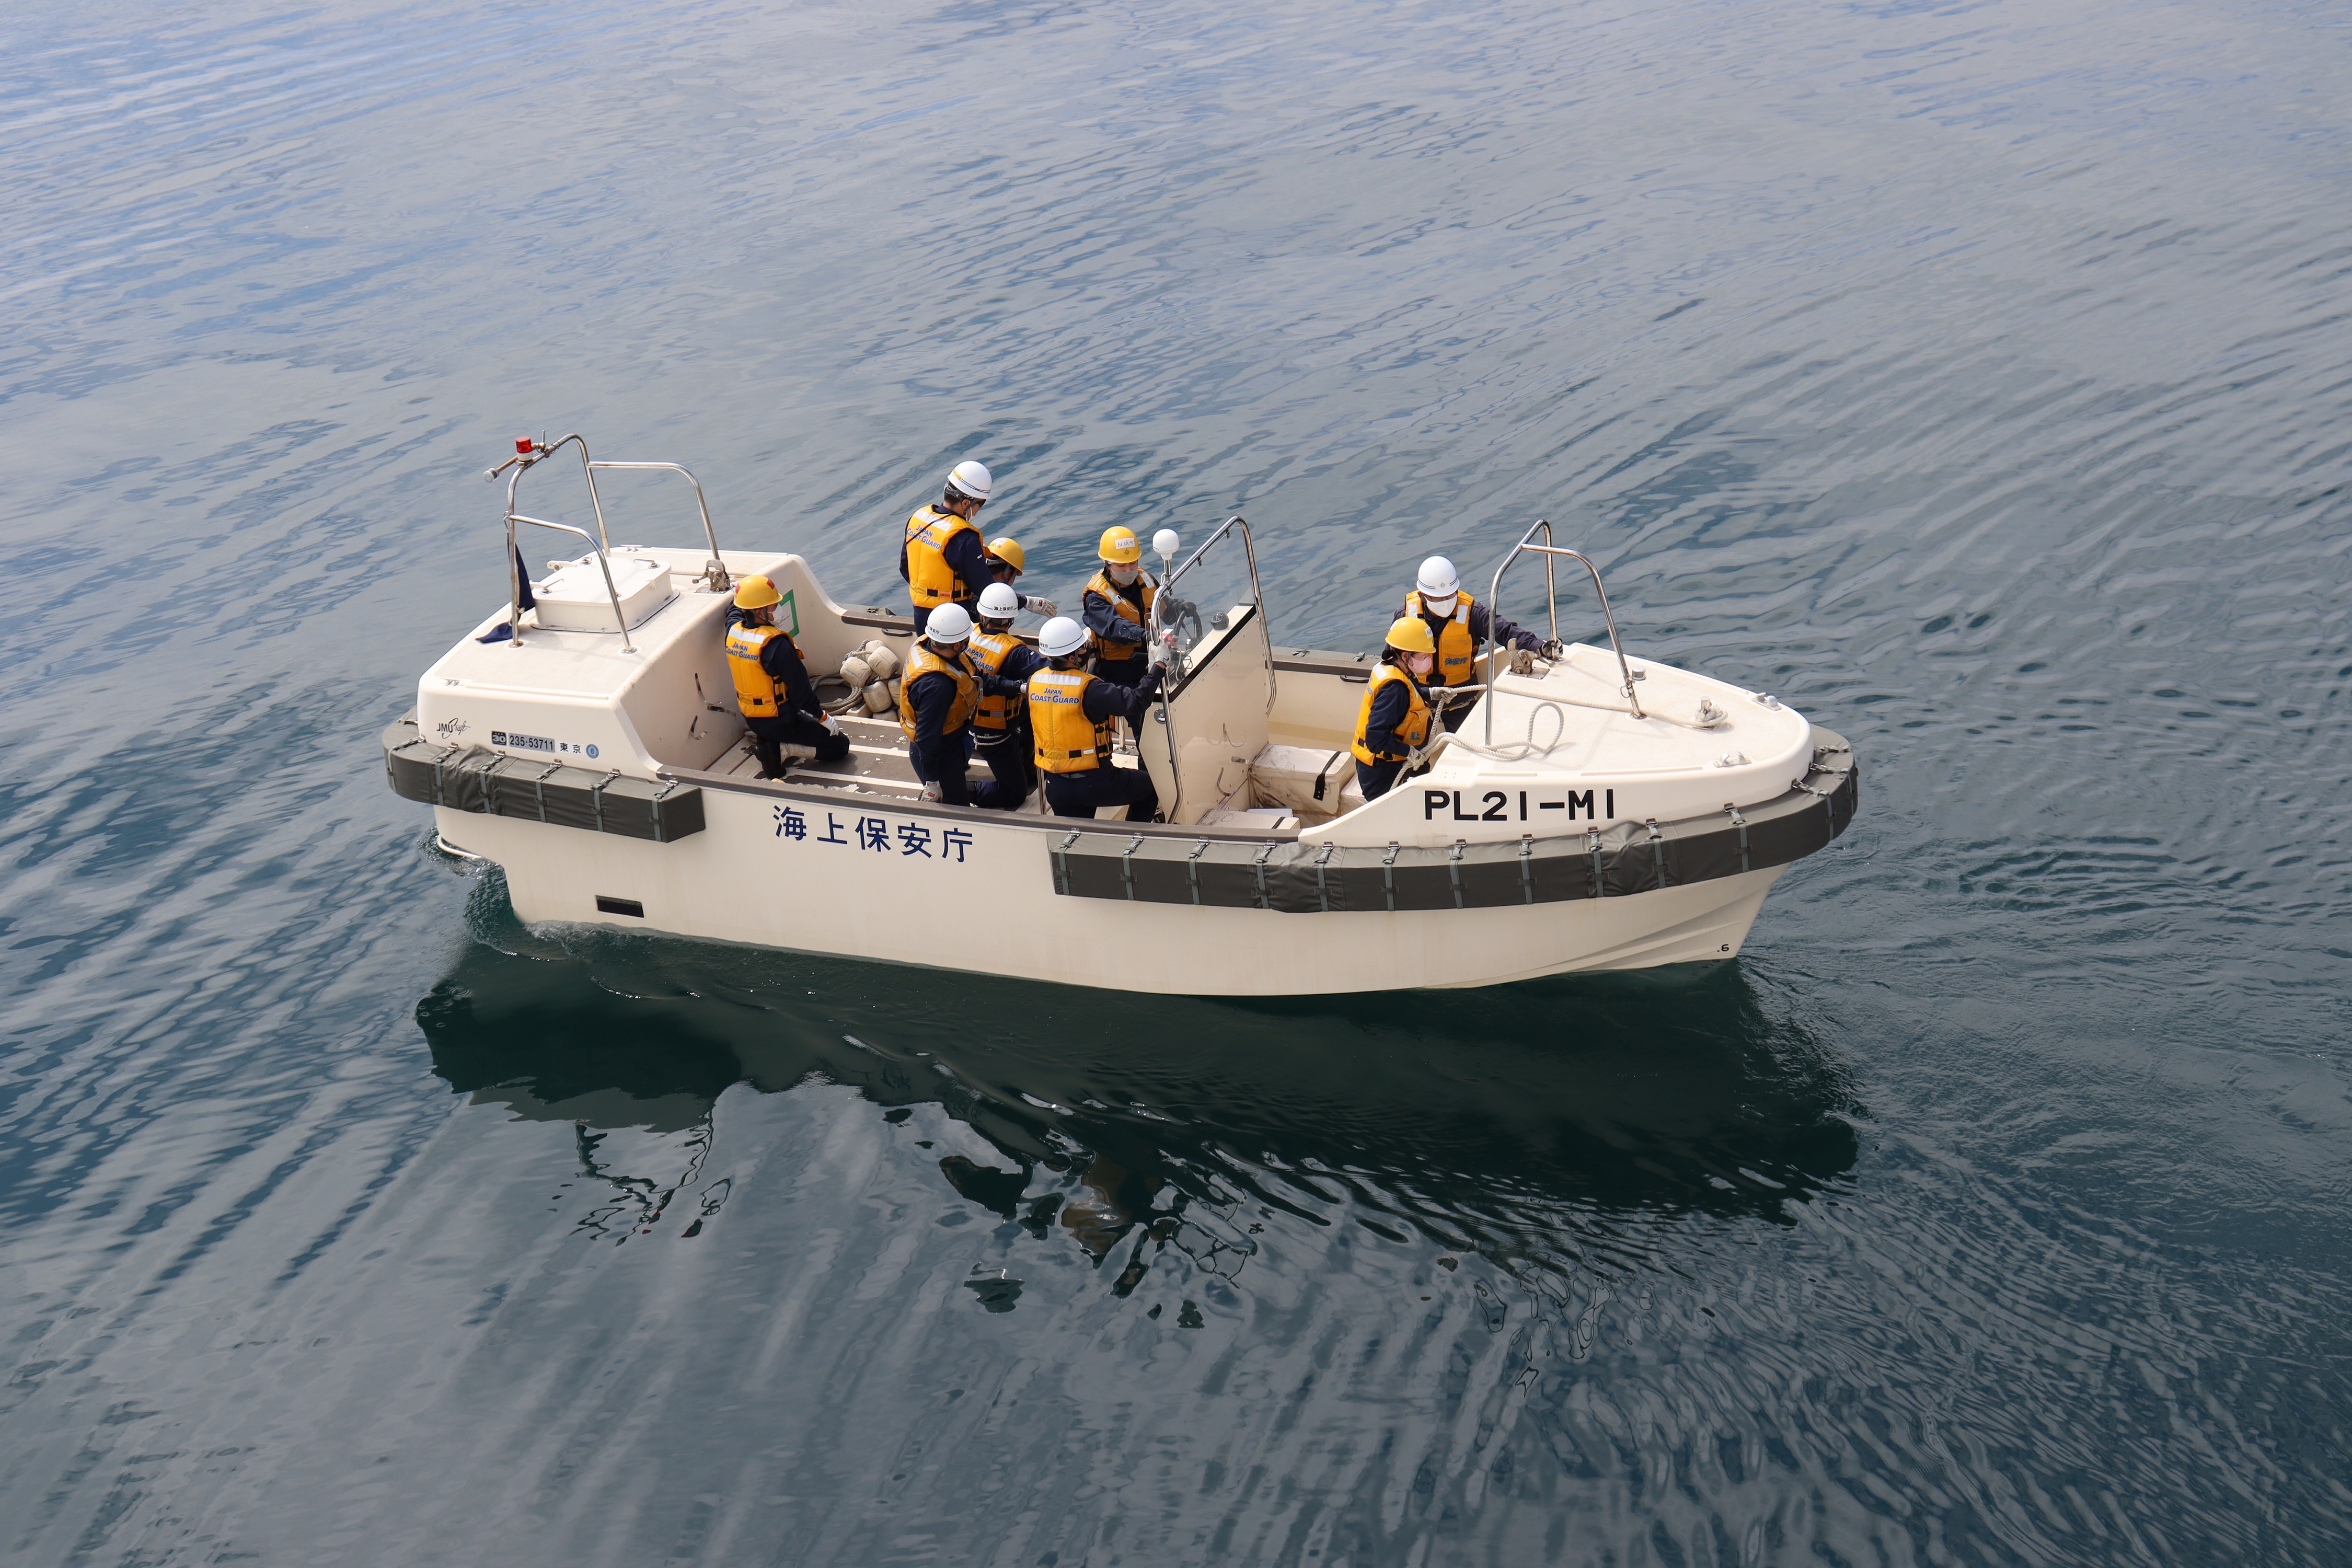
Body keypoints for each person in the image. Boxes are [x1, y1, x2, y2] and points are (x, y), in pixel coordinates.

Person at [1400, 555, 1566, 731]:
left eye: (1450, 596)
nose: (1445, 603)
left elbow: (1506, 631)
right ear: (1422, 595)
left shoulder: (1473, 613)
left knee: (1469, 743)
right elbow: (1393, 661)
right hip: (1418, 703)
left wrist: (1539, 647)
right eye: (1438, 599)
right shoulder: (1405, 616)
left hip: (1461, 704)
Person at [1028, 616, 1163, 820]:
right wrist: (1159, 666)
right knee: (1152, 790)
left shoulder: (1034, 682)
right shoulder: (1090, 688)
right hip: (1095, 783)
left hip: (1056, 787)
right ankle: (1133, 836)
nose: (1086, 651)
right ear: (1072, 658)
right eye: (1082, 649)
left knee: (1077, 831)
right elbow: (1136, 702)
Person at [898, 603, 1027, 808]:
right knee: (955, 809)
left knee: (956, 793)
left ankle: (956, 788)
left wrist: (1017, 687)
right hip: (940, 755)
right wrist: (932, 782)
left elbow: (978, 678)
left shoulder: (931, 647)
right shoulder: (938, 686)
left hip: (954, 739)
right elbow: (927, 738)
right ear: (957, 645)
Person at [726, 575, 851, 778]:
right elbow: (802, 694)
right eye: (774, 606)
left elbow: (733, 611)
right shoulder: (778, 646)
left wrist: (742, 594)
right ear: (760, 613)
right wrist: (823, 717)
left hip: (752, 719)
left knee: (776, 729)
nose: (779, 609)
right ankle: (784, 750)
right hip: (781, 721)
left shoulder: (732, 631)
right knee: (840, 746)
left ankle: (769, 745)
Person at [966, 582, 1044, 806]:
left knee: (1029, 712)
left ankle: (1025, 764)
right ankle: (959, 790)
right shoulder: (1015, 652)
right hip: (993, 732)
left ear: (982, 614)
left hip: (966, 718)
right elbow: (1049, 672)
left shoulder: (966, 633)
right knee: (1015, 794)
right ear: (1011, 620)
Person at [900, 459, 995, 636]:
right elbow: (986, 590)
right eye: (980, 504)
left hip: (921, 614)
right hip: (954, 619)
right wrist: (1025, 602)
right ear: (966, 503)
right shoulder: (964, 537)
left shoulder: (918, 518)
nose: (978, 510)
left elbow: (905, 569)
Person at [1351, 617, 1438, 802]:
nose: (1428, 660)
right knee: (1391, 813)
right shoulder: (1394, 690)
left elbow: (1409, 692)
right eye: (1423, 656)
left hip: (1387, 762)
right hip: (1382, 771)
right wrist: (1409, 753)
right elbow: (1376, 738)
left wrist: (1430, 693)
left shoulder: (1393, 668)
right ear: (1405, 656)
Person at [1082, 525, 1158, 687]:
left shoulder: (1146, 579)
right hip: (1117, 675)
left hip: (1151, 662)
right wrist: (1144, 635)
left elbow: (1162, 605)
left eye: (1133, 563)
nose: (1129, 570)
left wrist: (1178, 606)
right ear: (1108, 564)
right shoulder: (1096, 596)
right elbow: (1114, 626)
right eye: (1121, 566)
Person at [981, 537, 1057, 617]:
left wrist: (1026, 602)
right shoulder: (981, 598)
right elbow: (997, 597)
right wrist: (1028, 602)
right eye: (1015, 575)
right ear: (1008, 575)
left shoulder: (974, 582)